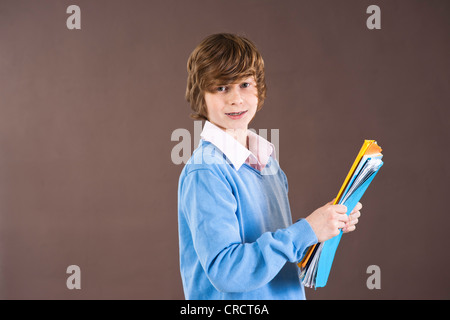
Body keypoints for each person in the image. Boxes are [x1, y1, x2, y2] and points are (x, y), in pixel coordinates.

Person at [177, 33, 362, 300]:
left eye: (244, 84)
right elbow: (227, 272)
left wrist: (325, 226)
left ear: (259, 88)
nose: (236, 99)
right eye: (221, 88)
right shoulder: (206, 171)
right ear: (200, 95)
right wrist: (305, 230)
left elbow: (276, 255)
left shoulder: (268, 163)